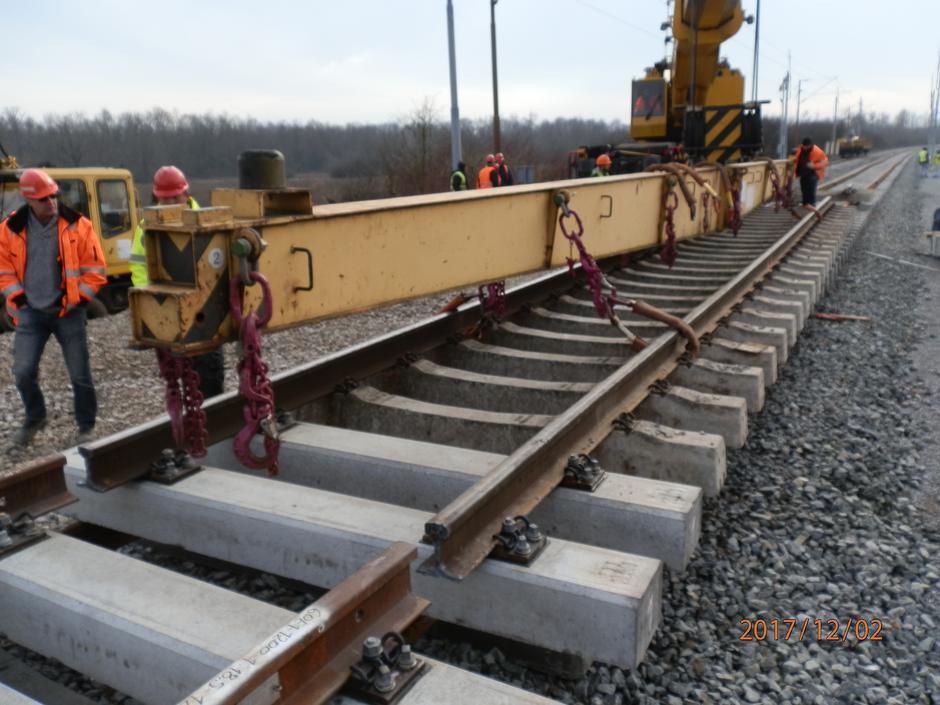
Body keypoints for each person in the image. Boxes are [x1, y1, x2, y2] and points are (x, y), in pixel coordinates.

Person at [0, 169, 107, 447]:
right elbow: (3, 270)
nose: (52, 203)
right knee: (23, 371)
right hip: (31, 314)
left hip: (69, 313)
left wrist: (78, 300)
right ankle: (35, 418)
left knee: (80, 374)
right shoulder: (9, 229)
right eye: (44, 199)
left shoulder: (78, 225)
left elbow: (95, 270)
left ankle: (86, 427)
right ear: (29, 201)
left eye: (54, 197)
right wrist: (20, 301)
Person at [130, 166, 225, 399]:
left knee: (208, 374)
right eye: (165, 198)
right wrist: (152, 299)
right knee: (177, 372)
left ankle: (214, 416)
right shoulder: (146, 227)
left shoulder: (207, 222)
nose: (171, 202)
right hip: (168, 306)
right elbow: (139, 265)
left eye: (175, 196)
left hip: (204, 310)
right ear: (157, 197)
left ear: (186, 194)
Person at [792, 137, 828, 220]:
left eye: (806, 146)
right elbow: (796, 159)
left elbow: (825, 162)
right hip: (803, 174)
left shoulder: (817, 151)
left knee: (811, 192)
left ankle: (812, 209)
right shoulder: (800, 149)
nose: (805, 148)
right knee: (804, 191)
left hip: (813, 174)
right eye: (804, 146)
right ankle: (806, 206)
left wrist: (814, 166)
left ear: (810, 145)